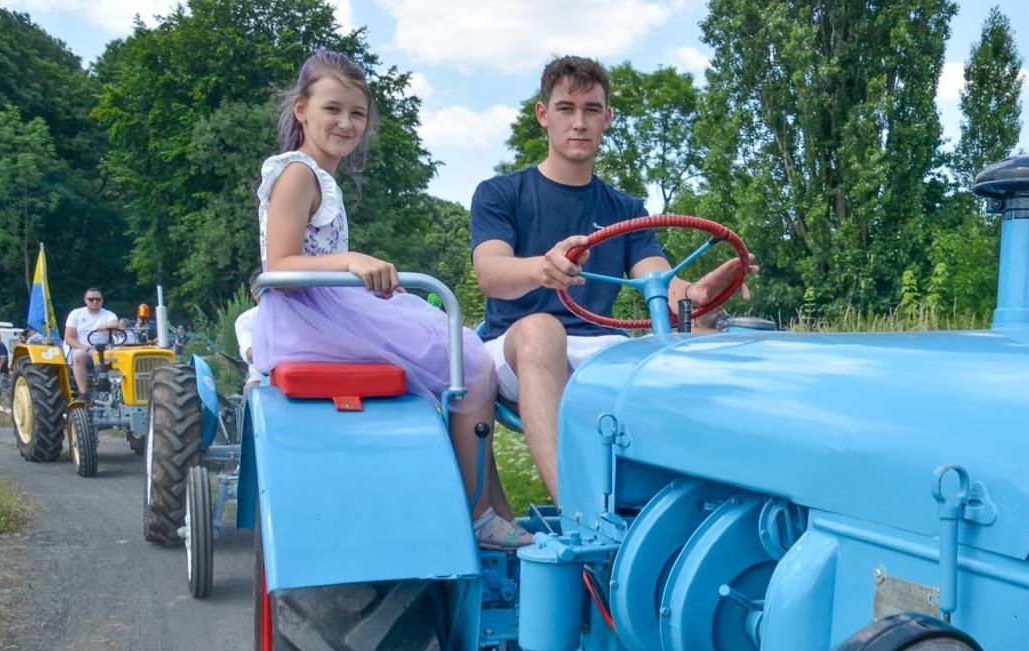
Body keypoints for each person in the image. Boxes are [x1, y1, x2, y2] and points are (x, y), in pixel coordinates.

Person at [254, 49, 525, 548]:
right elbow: (280, 264)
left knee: (461, 354)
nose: (346, 122)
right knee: (473, 364)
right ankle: (476, 513)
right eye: (332, 108)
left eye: (357, 113)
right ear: (301, 111)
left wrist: (361, 272)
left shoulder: (318, 175)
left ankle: (489, 505)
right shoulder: (298, 172)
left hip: (327, 309)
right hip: (312, 318)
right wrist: (351, 261)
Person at [470, 55, 751, 505]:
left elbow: (657, 277)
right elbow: (490, 273)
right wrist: (541, 268)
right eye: (566, 108)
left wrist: (695, 295)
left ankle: (696, 505)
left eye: (591, 110)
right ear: (543, 115)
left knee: (706, 336)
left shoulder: (625, 207)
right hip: (515, 347)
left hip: (599, 349)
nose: (578, 123)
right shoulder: (500, 193)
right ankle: (580, 515)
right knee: (544, 330)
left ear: (607, 119)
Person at [63, 289, 124, 398]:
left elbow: (114, 325)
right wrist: (88, 350)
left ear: (102, 300)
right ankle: (83, 393)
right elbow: (69, 338)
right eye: (91, 299)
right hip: (85, 349)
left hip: (106, 350)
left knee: (122, 356)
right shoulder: (76, 314)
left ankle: (121, 392)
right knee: (78, 356)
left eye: (98, 299)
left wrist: (106, 327)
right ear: (85, 300)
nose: (95, 302)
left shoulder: (109, 314)